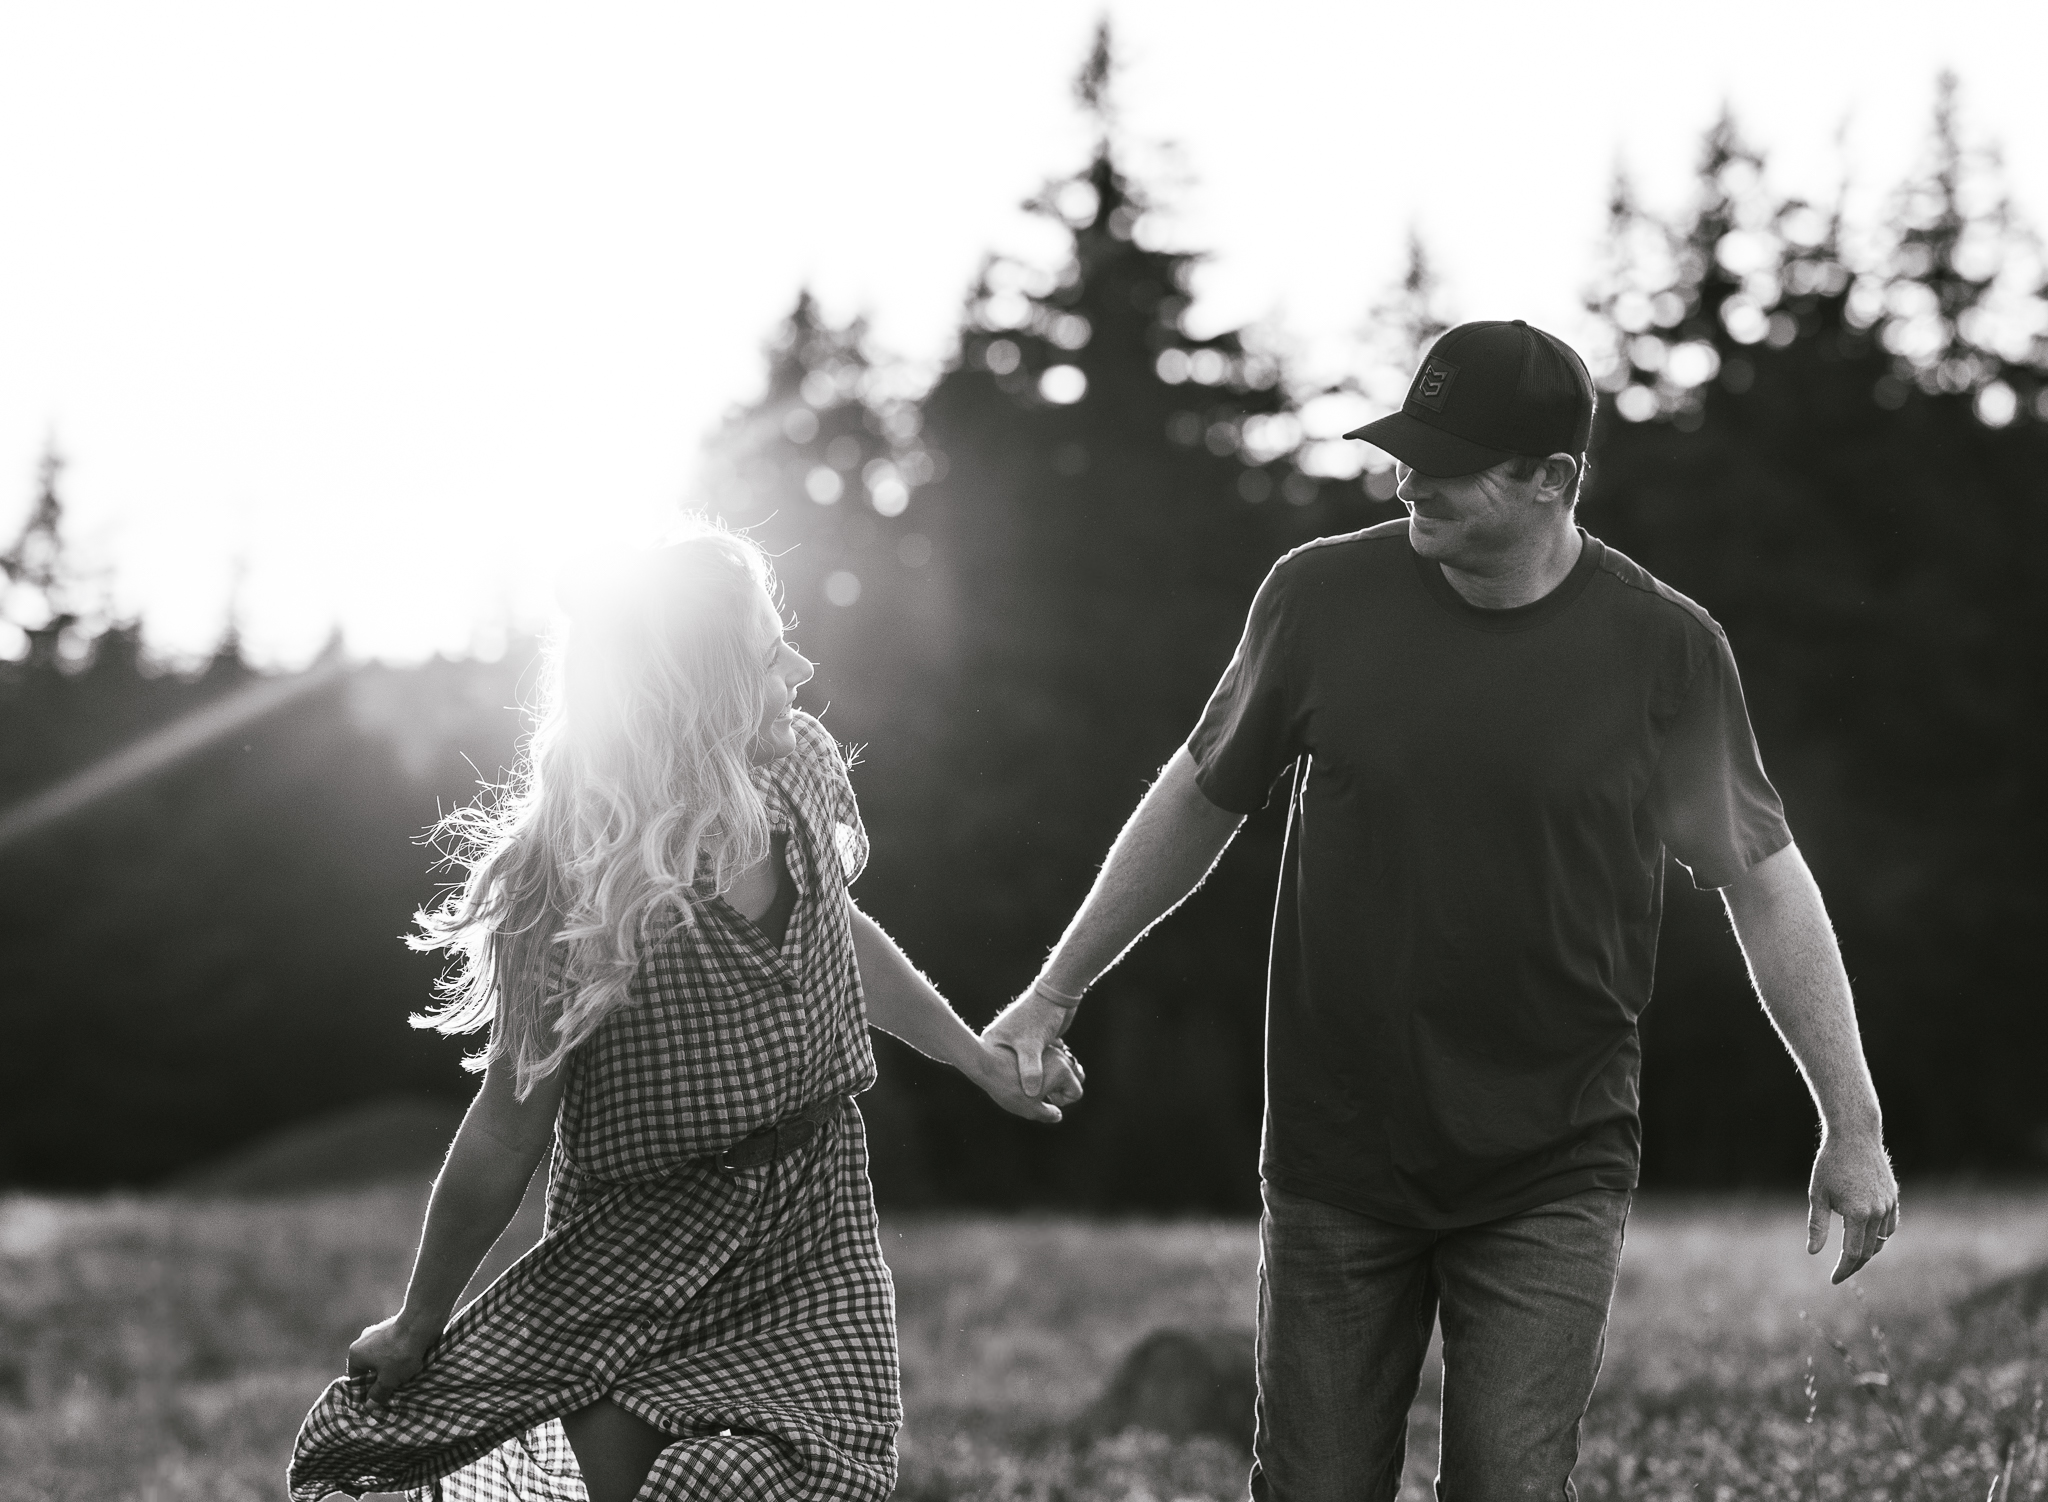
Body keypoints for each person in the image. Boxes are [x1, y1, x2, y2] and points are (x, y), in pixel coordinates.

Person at [983, 319, 1899, 1499]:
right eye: (1403, 452)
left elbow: (1764, 880)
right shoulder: (1318, 596)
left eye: (1446, 464)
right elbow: (1197, 798)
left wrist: (1851, 1121)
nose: (1406, 482)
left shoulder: (1664, 649)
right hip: (1337, 1154)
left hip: (1550, 1161)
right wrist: (1053, 988)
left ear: (1551, 477)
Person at [289, 524, 1081, 1502]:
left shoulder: (797, 769)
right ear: (703, 687)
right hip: (634, 1263)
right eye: (769, 652)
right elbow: (506, 1125)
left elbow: (835, 932)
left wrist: (973, 1057)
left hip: (811, 1222)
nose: (799, 668)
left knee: (790, 1479)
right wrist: (420, 1318)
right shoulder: (574, 875)